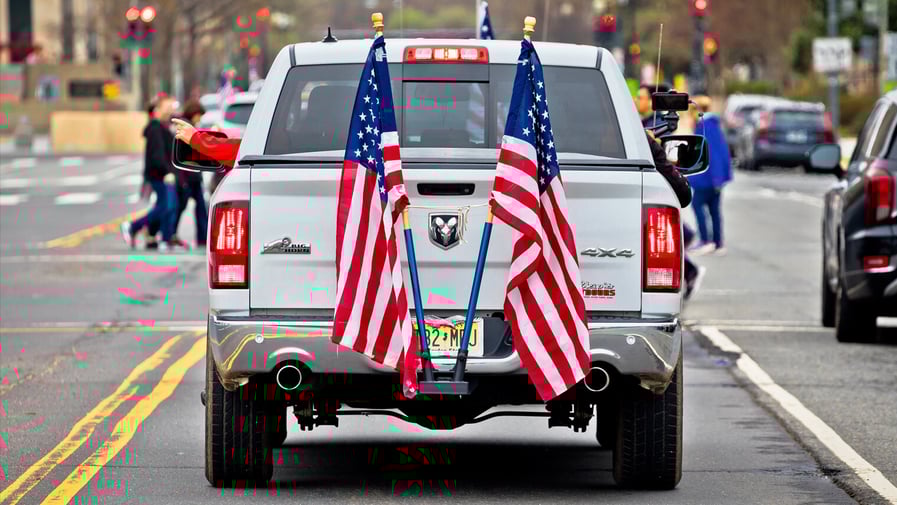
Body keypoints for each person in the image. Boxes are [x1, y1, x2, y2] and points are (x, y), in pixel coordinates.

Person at [121, 95, 181, 250]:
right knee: (165, 207)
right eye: (167, 108)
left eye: (171, 108)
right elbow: (157, 155)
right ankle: (134, 226)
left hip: (166, 174)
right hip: (159, 175)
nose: (170, 111)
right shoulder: (155, 128)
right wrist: (167, 172)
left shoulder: (164, 127)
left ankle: (164, 239)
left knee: (170, 206)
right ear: (157, 110)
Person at [689, 95, 732, 256]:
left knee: (697, 204)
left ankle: (706, 240)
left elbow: (711, 153)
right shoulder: (713, 125)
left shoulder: (704, 126)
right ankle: (718, 242)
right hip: (715, 178)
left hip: (706, 178)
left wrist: (715, 178)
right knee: (714, 209)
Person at [170, 100, 209, 248]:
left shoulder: (187, 127)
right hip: (187, 176)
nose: (200, 119)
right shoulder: (185, 129)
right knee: (182, 206)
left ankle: (200, 236)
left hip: (191, 176)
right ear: (194, 113)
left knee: (195, 207)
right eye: (199, 116)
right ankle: (172, 234)